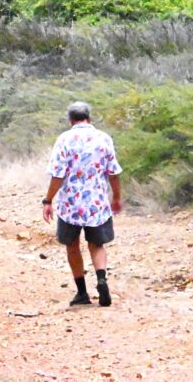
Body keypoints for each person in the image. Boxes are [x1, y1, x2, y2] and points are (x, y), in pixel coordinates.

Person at [42, 101, 123, 307]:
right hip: (97, 203)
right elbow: (113, 173)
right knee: (97, 244)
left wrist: (48, 200)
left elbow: (57, 175)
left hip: (70, 205)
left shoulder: (64, 139)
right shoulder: (104, 138)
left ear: (70, 120)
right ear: (90, 118)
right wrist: (116, 197)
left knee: (72, 245)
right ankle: (102, 279)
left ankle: (82, 293)